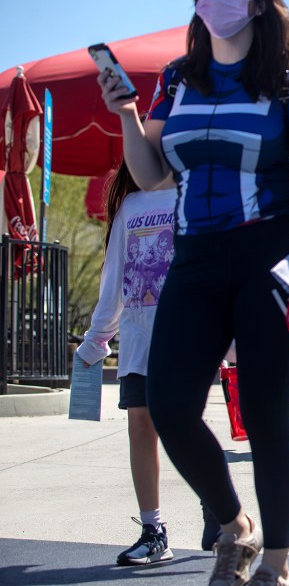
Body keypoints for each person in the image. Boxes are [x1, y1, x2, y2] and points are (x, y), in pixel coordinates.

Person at [99, 0, 289, 586]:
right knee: (168, 405)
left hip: (270, 254)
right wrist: (125, 114)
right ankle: (236, 526)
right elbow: (151, 171)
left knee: (264, 418)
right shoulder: (176, 77)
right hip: (194, 257)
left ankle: (276, 565)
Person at [76, 161, 183, 565]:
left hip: (185, 338)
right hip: (138, 342)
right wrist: (97, 337)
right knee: (141, 426)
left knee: (182, 428)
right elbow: (115, 278)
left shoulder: (192, 198)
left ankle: (219, 508)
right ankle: (153, 530)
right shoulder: (131, 207)